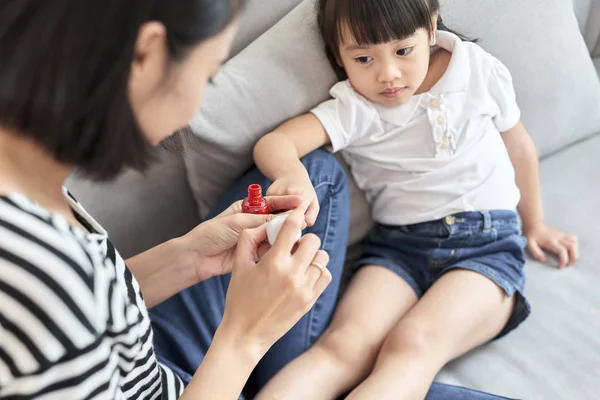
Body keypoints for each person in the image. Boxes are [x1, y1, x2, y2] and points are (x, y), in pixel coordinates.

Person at [0, 0, 351, 398]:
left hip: (147, 362)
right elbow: (65, 300)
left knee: (317, 174)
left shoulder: (25, 185)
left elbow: (91, 310)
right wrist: (244, 339)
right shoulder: (40, 277)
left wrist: (190, 257)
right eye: (208, 75)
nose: (196, 108)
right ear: (145, 54)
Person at [253, 0, 580, 399]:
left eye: (403, 51)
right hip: (398, 249)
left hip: (487, 246)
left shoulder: (474, 68)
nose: (387, 74)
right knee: (343, 347)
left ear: (431, 28)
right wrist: (292, 173)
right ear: (338, 58)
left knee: (411, 345)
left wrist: (536, 223)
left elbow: (520, 147)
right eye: (363, 58)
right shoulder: (354, 108)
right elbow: (277, 142)